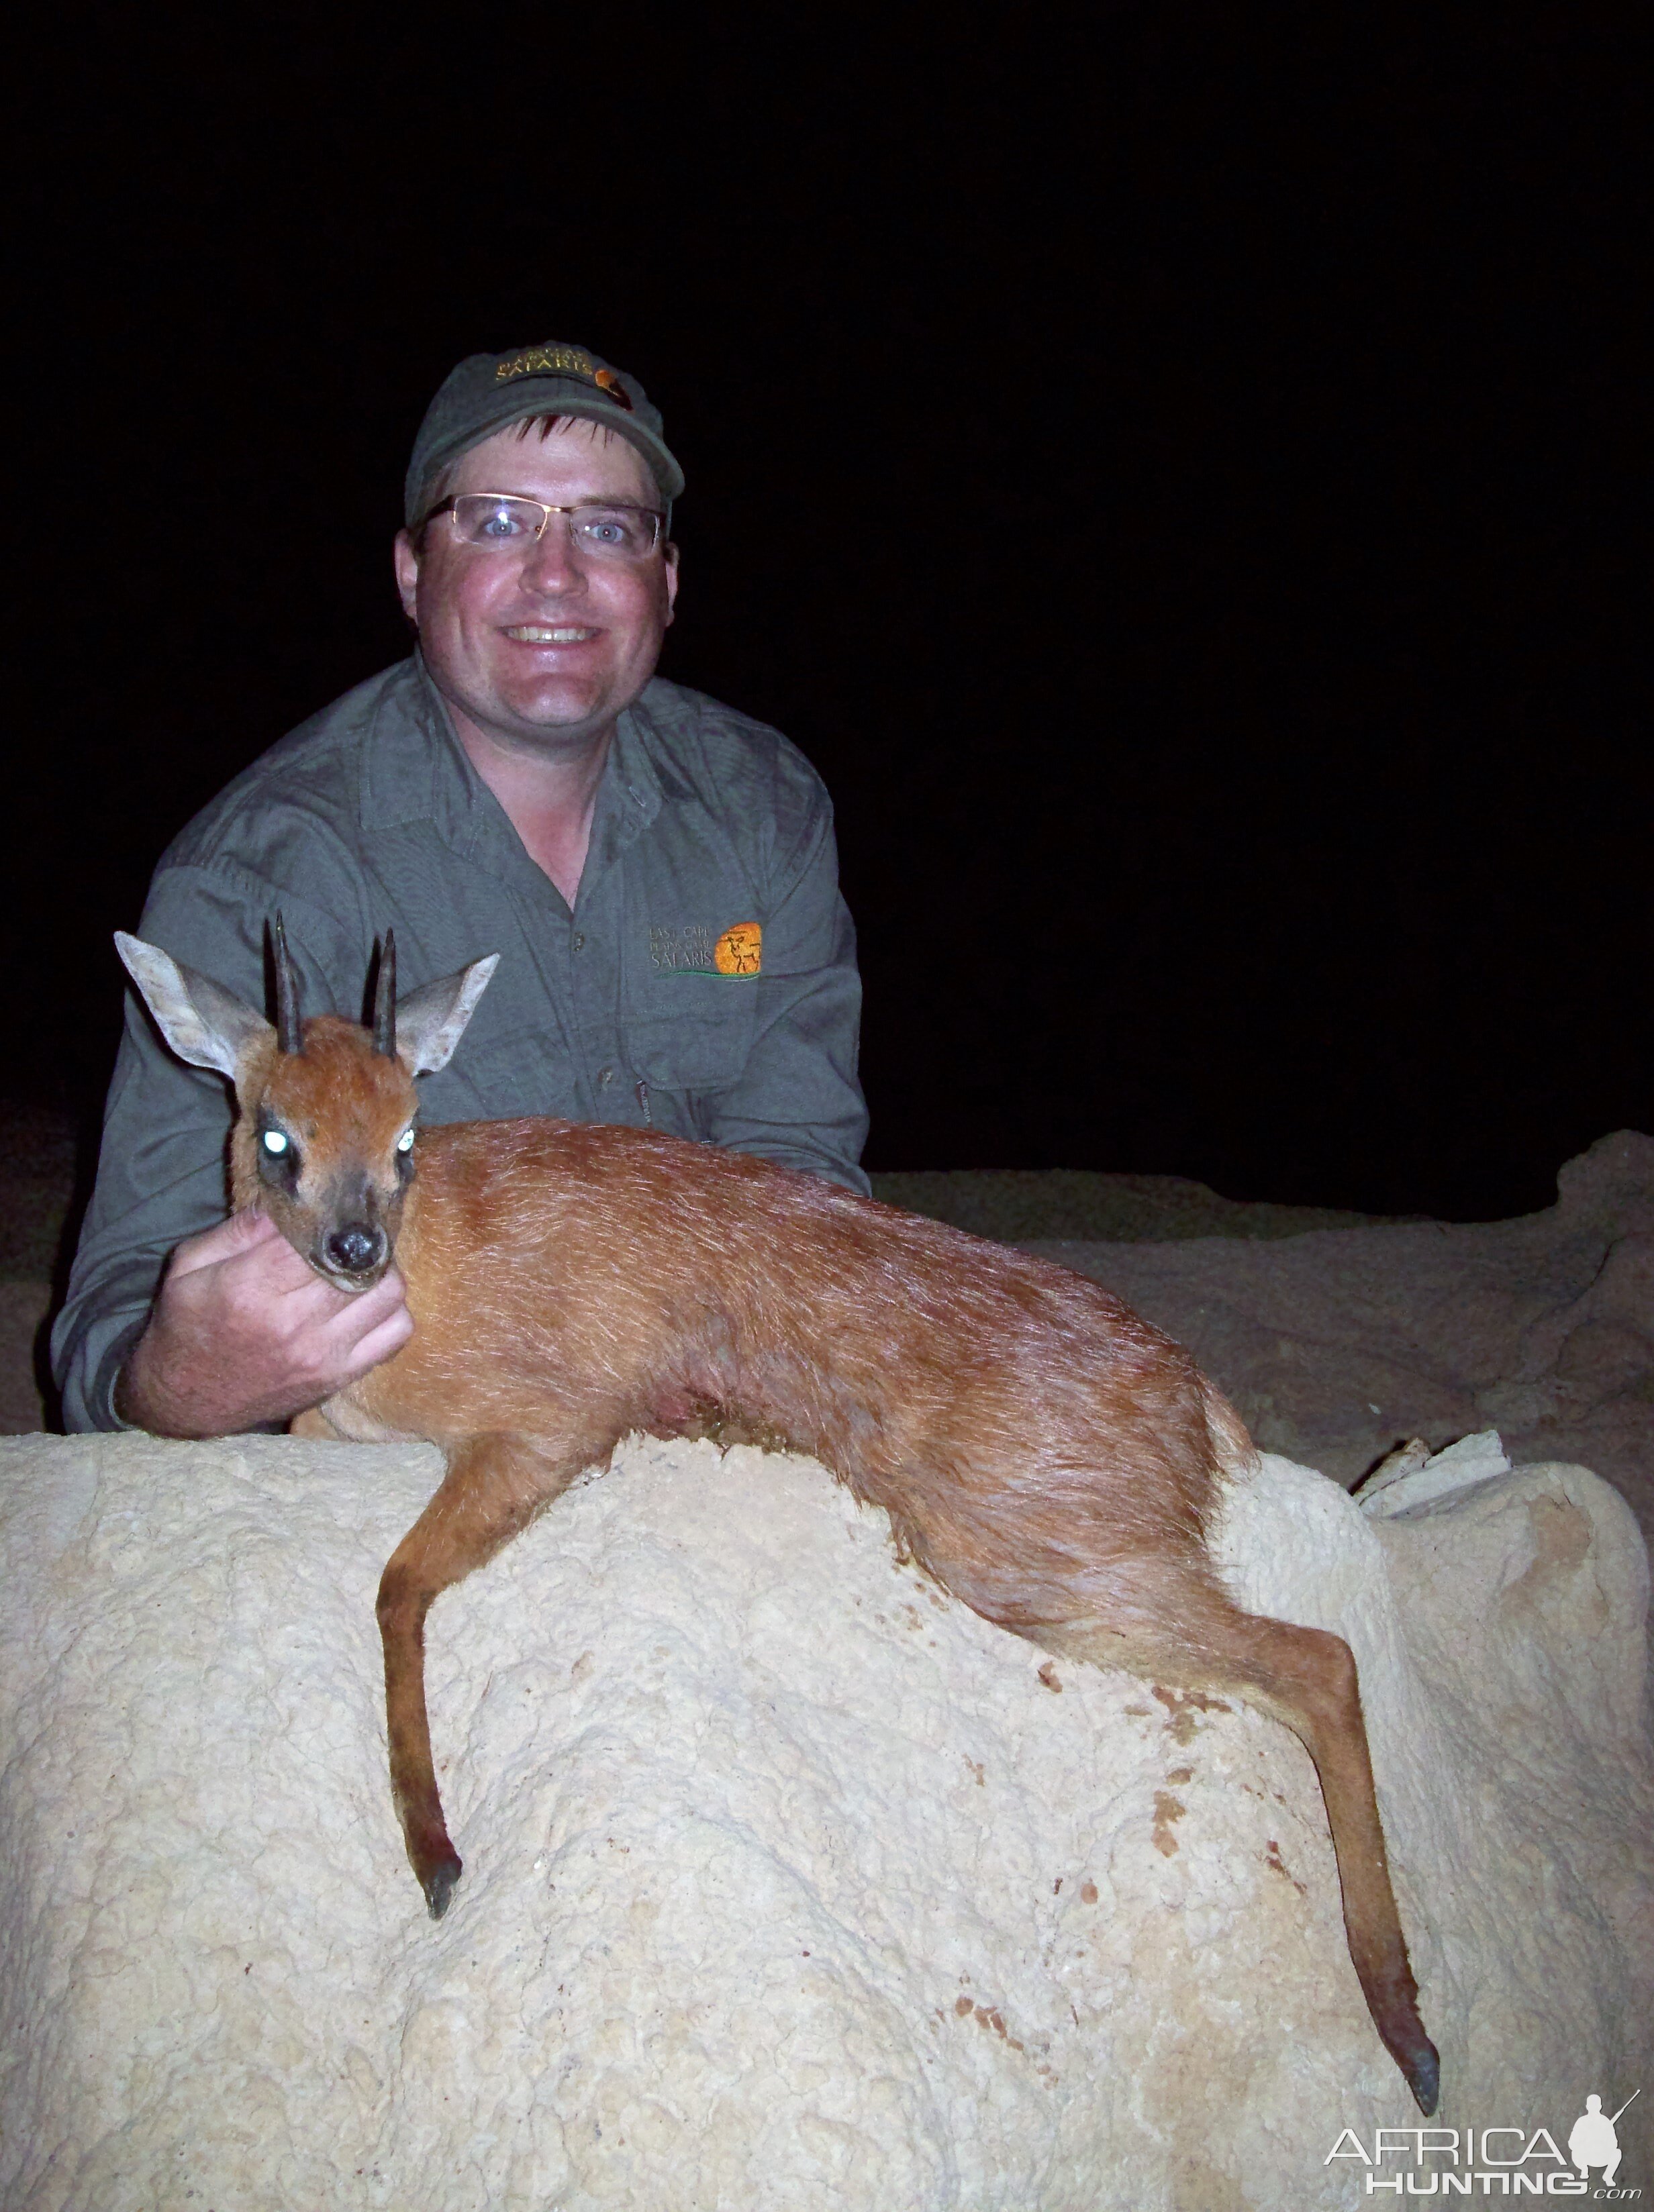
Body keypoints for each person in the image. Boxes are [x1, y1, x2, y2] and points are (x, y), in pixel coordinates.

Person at [54, 338, 869, 1439]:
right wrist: (182, 1377)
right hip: (428, 1432)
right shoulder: (257, 875)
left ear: (666, 582)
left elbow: (805, 1169)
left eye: (607, 527)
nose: (556, 572)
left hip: (699, 1387)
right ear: (408, 571)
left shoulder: (764, 809)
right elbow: (115, 1328)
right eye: (496, 520)